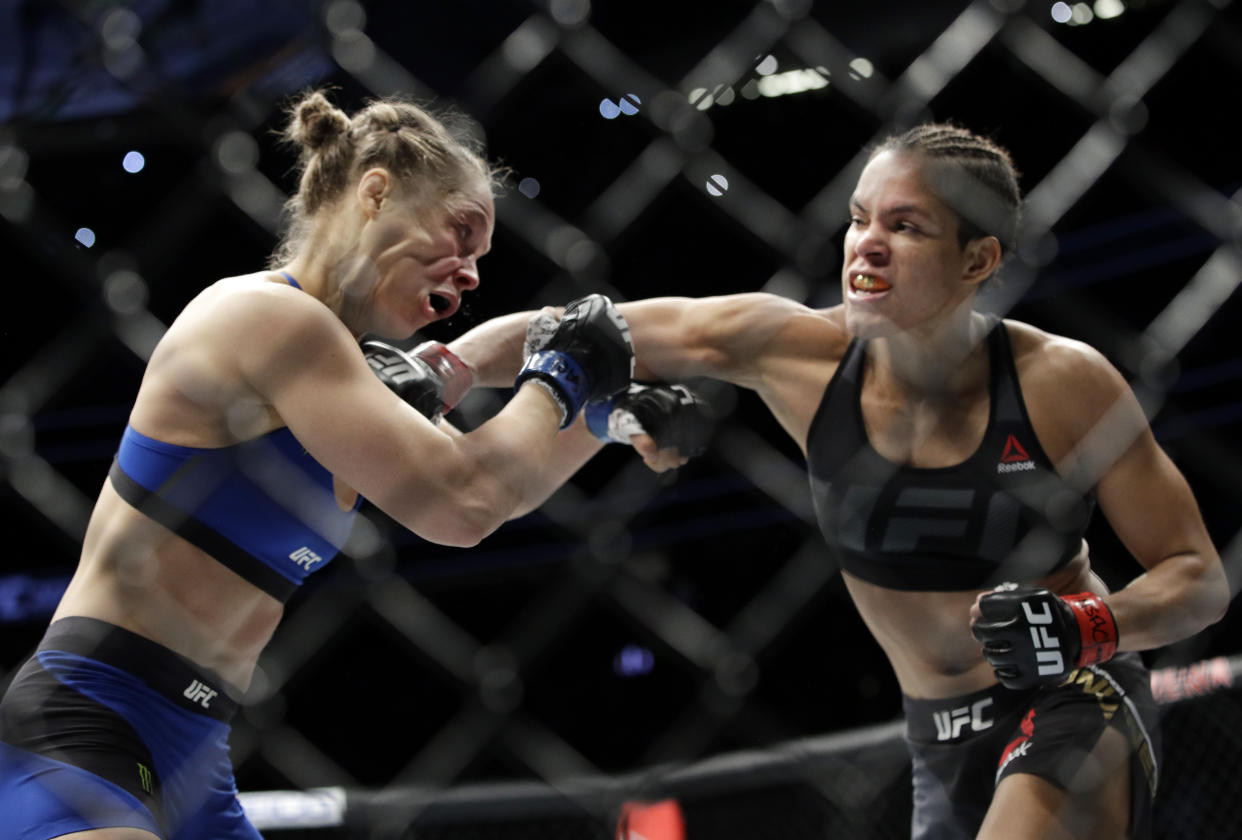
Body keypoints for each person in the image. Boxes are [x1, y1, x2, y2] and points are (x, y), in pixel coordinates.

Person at [454, 123, 1230, 839]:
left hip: (1074, 699)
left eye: (906, 226)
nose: (868, 245)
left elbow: (1197, 578)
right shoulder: (791, 350)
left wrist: (1086, 626)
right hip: (937, 733)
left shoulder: (1062, 384)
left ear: (978, 260)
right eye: (861, 218)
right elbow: (575, 328)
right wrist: (442, 367)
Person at [0, 89, 704, 839]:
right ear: (375, 193)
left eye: (479, 258)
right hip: (91, 724)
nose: (469, 273)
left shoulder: (346, 382)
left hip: (197, 752)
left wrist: (600, 414)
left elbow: (495, 484)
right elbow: (462, 503)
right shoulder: (266, 319)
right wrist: (565, 373)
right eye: (460, 233)